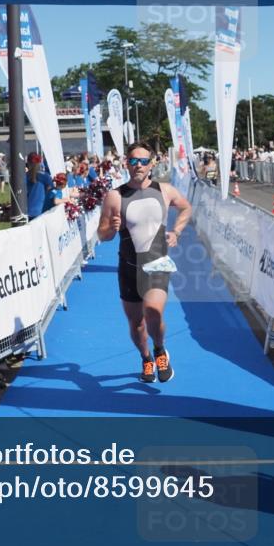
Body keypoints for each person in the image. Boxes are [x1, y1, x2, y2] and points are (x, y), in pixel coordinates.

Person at [97, 142, 192, 384]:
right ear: (126, 163)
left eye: (143, 161)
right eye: (133, 161)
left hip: (157, 262)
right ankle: (146, 357)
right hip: (128, 267)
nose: (138, 165)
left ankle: (160, 350)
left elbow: (186, 209)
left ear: (152, 163)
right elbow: (102, 234)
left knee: (153, 311)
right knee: (136, 323)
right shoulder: (114, 196)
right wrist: (111, 228)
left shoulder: (165, 190)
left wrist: (176, 232)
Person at [26, 153, 53, 219]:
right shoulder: (45, 176)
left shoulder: (24, 176)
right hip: (41, 211)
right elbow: (50, 191)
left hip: (25, 211)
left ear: (28, 162)